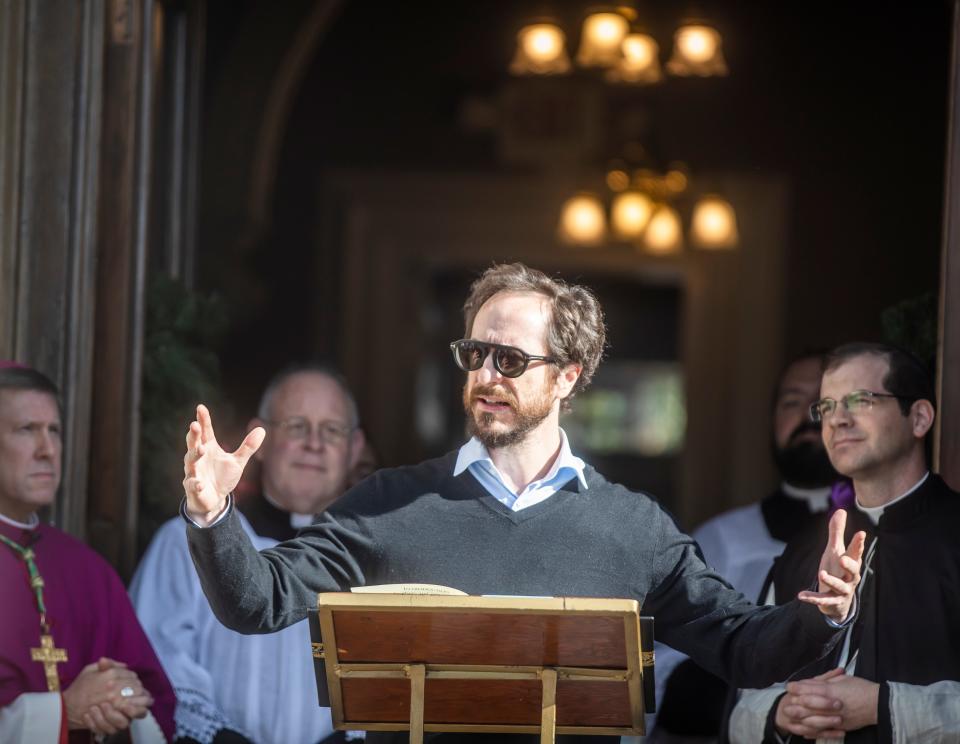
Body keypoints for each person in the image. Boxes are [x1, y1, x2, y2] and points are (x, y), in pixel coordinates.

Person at [181, 263, 865, 744]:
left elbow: (743, 648)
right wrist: (213, 514)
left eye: (509, 361)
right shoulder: (389, 503)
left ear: (568, 376)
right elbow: (256, 601)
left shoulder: (632, 528)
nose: (484, 376)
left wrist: (821, 614)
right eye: (474, 354)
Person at [727, 342, 960, 743]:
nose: (837, 420)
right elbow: (742, 705)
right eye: (827, 407)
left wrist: (880, 707)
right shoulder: (804, 548)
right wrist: (784, 713)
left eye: (860, 400)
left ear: (919, 417)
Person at [131, 364, 365, 744]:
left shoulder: (368, 555)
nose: (314, 444)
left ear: (355, 448)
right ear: (263, 439)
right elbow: (158, 659)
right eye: (296, 426)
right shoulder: (188, 539)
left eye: (332, 430)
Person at [654, 352, 840, 739]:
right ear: (771, 420)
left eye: (823, 403)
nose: (808, 416)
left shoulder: (884, 536)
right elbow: (663, 675)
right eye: (792, 402)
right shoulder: (719, 539)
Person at [0, 364, 175, 743]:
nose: (47, 450)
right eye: (27, 430)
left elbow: (155, 699)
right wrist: (65, 712)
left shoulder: (87, 570)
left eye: (55, 432)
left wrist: (123, 702)